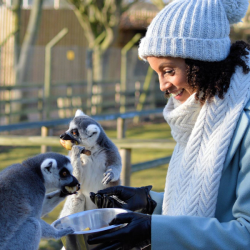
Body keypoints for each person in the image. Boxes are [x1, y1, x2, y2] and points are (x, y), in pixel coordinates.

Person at [87, 0, 250, 249]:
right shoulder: (198, 115)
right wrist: (150, 202)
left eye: (169, 70)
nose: (163, 85)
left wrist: (154, 231)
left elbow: (245, 233)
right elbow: (205, 202)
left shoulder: (243, 124)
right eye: (157, 73)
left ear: (202, 62)